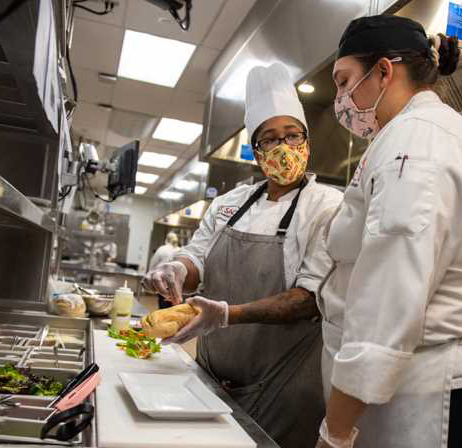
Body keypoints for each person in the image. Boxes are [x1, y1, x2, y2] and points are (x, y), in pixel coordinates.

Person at [315, 16, 462, 448]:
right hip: (409, 386)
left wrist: (336, 432)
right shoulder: (400, 138)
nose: (340, 99)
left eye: (344, 81)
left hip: (432, 394)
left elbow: (388, 297)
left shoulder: (418, 142)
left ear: (384, 70)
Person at [143, 62, 343, 447]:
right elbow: (196, 258)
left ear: (307, 141)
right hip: (208, 380)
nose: (284, 148)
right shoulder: (229, 204)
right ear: (256, 151)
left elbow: (307, 301)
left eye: (292, 135)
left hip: (282, 390)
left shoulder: (329, 208)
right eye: (270, 139)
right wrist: (175, 270)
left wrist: (228, 315)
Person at [149, 232, 181, 309]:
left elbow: (153, 264)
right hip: (175, 283)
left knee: (163, 303)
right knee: (173, 304)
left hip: (162, 282)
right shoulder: (180, 250)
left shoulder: (162, 249)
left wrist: (150, 276)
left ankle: (161, 319)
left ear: (166, 239)